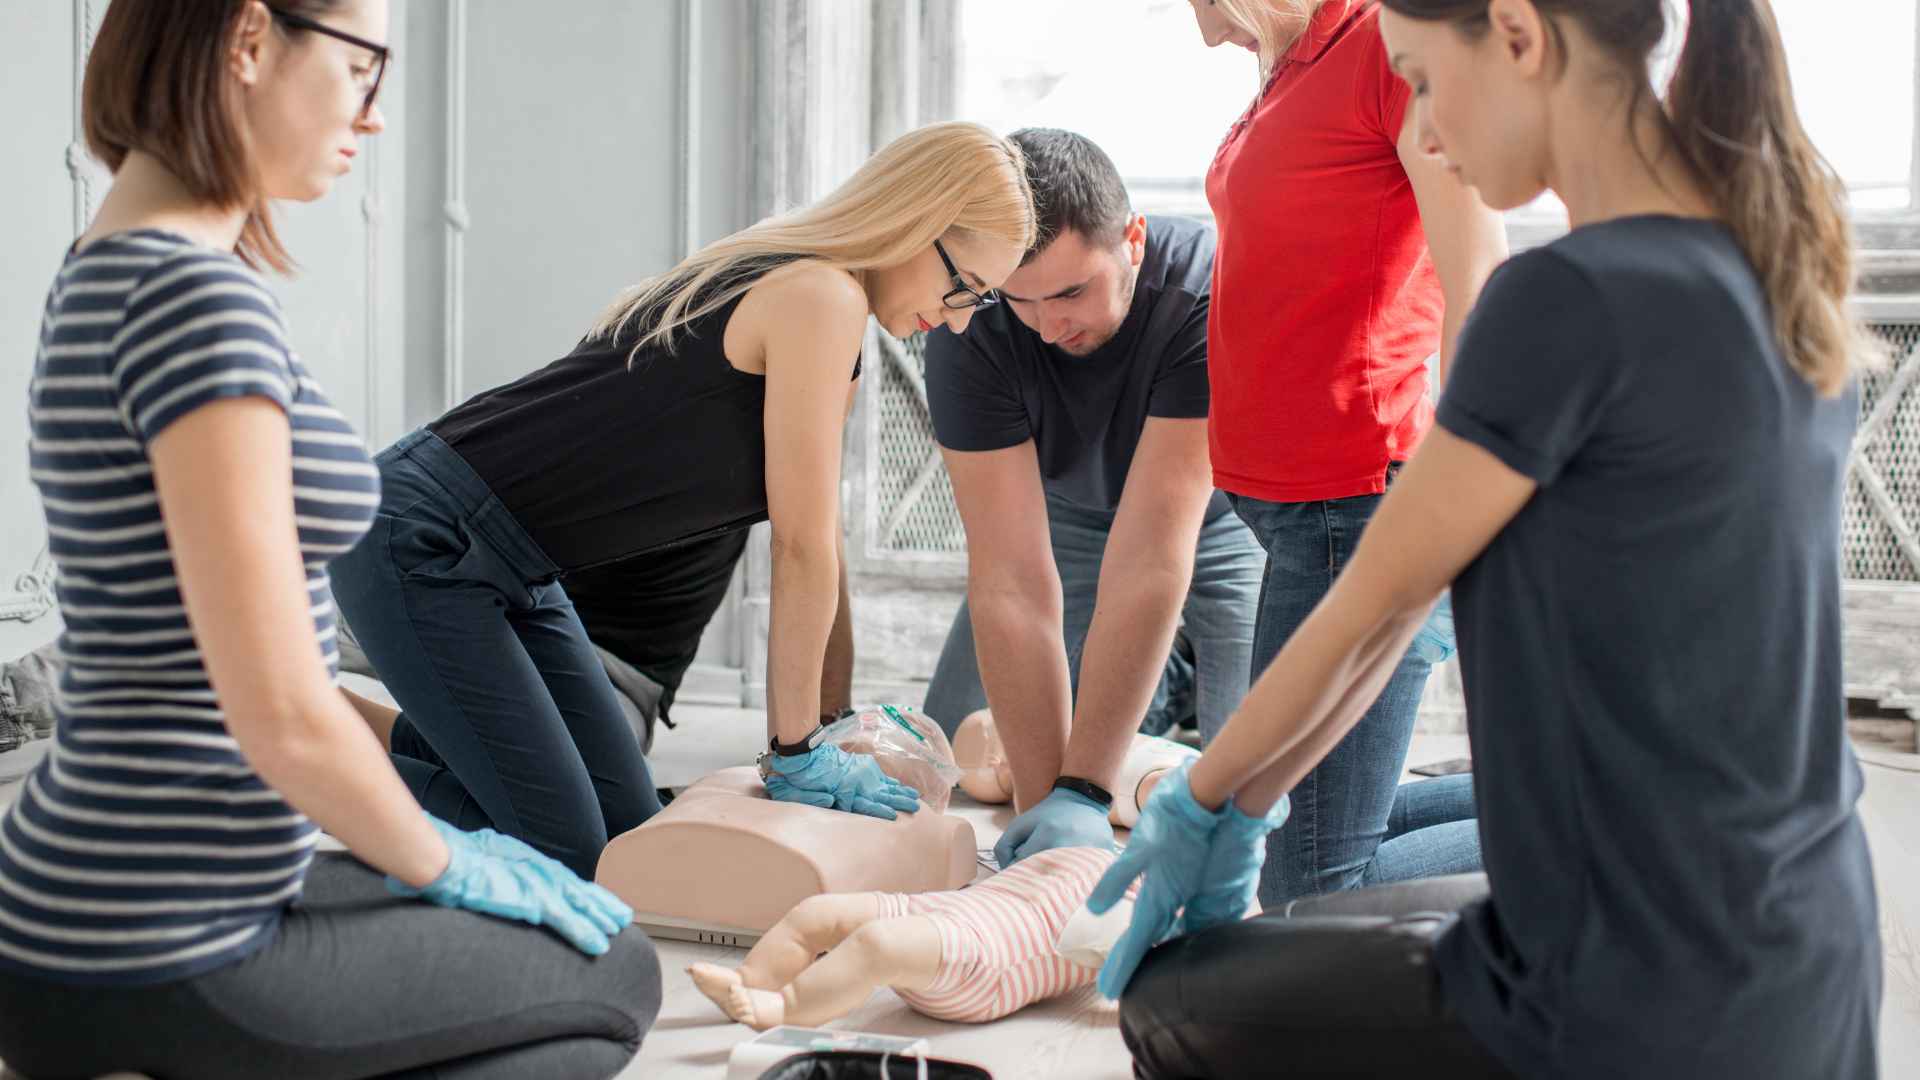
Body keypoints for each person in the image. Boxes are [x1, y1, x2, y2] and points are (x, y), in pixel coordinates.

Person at [1092, 0, 1884, 1076]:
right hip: (1812, 945)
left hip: (1635, 977)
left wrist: (1197, 801)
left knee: (1170, 1002)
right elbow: (1393, 608)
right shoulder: (1774, 266)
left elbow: (1376, 599)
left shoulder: (1561, 302)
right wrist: (1238, 797)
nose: (1420, 128)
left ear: (1517, 35)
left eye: (1419, 77)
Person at [0, 3, 663, 1076]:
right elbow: (281, 715)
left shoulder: (112, 261)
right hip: (164, 934)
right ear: (250, 39)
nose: (379, 113)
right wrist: (446, 859)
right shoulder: (191, 300)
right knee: (621, 972)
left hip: (96, 893)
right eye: (364, 65)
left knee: (571, 917)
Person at [330, 122, 1037, 877]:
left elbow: (820, 539)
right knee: (566, 852)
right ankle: (272, 741)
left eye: (982, 303)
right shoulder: (817, 293)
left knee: (632, 840)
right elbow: (796, 547)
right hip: (426, 534)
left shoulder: (830, 310)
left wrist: (826, 729)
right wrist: (792, 750)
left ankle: (323, 721)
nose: (958, 317)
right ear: (918, 219)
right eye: (963, 286)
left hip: (520, 571)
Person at [1186, 0, 1509, 905]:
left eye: (1203, 1)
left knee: (1310, 889)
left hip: (1359, 506)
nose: (1206, 31)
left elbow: (1475, 271)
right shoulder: (1294, 65)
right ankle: (1563, 797)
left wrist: (1466, 499)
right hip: (1303, 519)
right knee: (1310, 835)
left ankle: (1613, 812)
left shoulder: (1380, 44)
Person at [919, 128, 1266, 866]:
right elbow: (1009, 579)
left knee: (1252, 785)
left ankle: (1172, 683)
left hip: (1221, 520)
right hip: (1072, 514)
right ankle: (1156, 687)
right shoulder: (969, 325)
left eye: (1073, 291)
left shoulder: (1201, 291)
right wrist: (1050, 823)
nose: (1051, 326)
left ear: (1132, 240)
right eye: (1025, 299)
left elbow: (1151, 557)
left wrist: (1084, 788)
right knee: (951, 749)